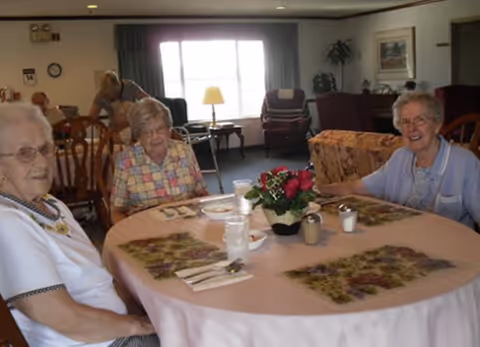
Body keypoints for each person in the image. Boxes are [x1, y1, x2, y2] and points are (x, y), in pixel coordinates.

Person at [0, 103, 159, 346]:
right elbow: (63, 318)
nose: (42, 162)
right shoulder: (7, 222)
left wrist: (142, 314)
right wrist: (141, 325)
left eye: (45, 149)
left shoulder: (53, 205)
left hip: (114, 328)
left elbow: (97, 276)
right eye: (25, 152)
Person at [320, 92, 480, 230]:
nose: (412, 128)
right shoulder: (400, 157)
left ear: (437, 125)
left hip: (452, 247)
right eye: (405, 122)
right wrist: (315, 190)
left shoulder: (464, 162)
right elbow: (356, 187)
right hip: (405, 244)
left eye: (420, 120)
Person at [111, 98, 208, 224]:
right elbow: (116, 211)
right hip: (145, 231)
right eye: (147, 132)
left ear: (169, 129)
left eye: (159, 129)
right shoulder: (126, 162)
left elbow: (202, 193)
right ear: (138, 136)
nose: (155, 137)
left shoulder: (184, 151)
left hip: (188, 224)